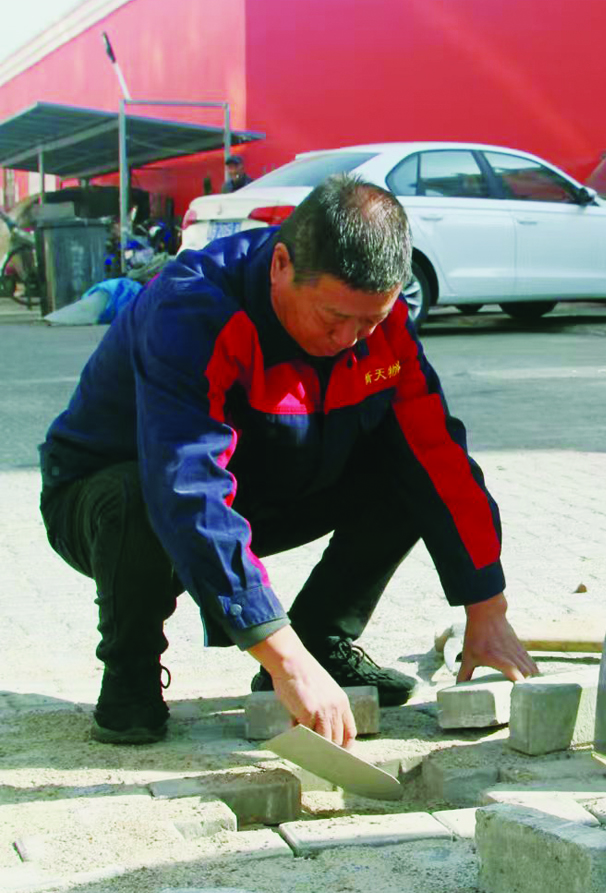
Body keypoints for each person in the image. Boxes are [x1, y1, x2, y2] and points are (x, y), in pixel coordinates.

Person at [40, 175, 538, 746]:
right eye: (333, 318)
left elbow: (437, 453)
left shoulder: (381, 326)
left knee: (408, 473)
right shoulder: (192, 307)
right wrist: (280, 656)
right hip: (110, 500)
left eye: (370, 321)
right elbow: (187, 486)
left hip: (263, 483)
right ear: (281, 265)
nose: (352, 339)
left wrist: (486, 605)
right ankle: (130, 671)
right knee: (133, 497)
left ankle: (322, 638)